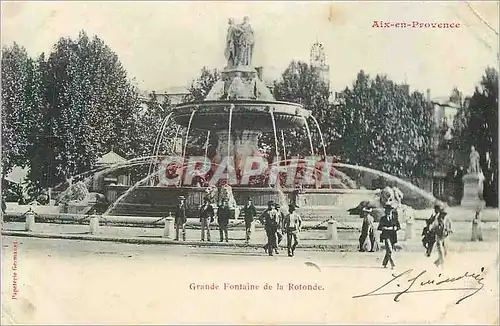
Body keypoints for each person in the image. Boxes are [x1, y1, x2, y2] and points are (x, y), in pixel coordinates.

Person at [377, 202, 401, 269]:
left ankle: (384, 263)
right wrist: (383, 228)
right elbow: (379, 227)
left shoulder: (394, 218)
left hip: (393, 236)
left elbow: (398, 227)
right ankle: (393, 264)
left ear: (391, 211)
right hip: (386, 236)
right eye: (387, 210)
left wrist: (395, 228)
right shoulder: (383, 218)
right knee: (390, 250)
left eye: (390, 210)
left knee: (388, 250)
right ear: (385, 211)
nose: (388, 211)